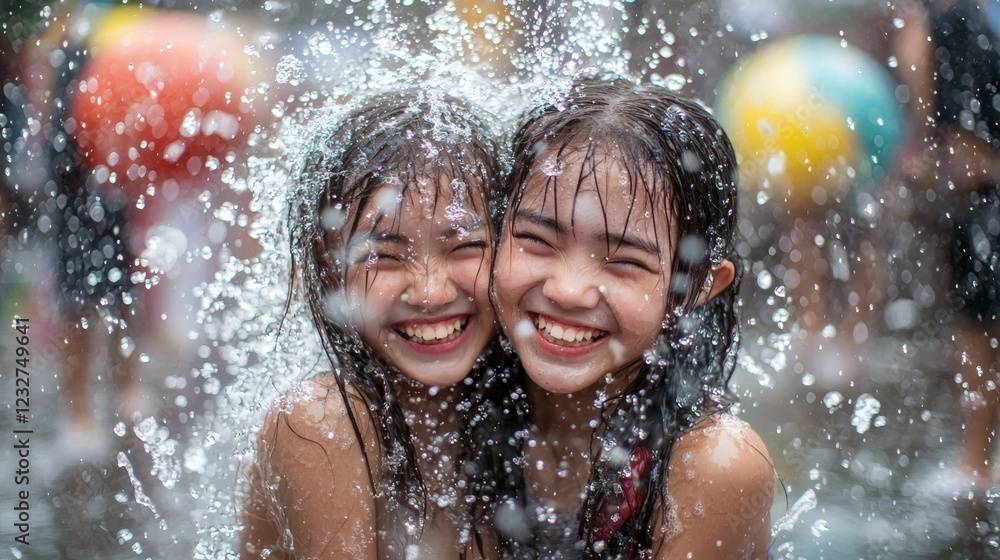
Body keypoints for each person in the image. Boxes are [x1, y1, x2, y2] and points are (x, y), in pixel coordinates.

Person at [468, 77, 774, 559]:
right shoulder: (449, 412)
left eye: (626, 262)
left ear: (695, 286)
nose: (567, 291)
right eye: (537, 239)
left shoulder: (713, 465)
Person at [240, 90, 505, 560]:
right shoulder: (322, 421)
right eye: (382, 256)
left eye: (465, 246)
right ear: (329, 272)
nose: (431, 293)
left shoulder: (513, 419)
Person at [894, 0, 1000, 489]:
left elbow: (918, 75)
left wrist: (919, 144)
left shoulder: (942, 23)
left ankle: (975, 465)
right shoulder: (973, 23)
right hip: (980, 191)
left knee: (977, 331)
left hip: (983, 195)